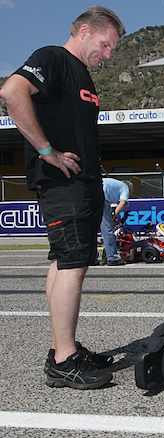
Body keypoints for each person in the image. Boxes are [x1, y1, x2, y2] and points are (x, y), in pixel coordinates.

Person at [0, 6, 125, 390]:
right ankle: (65, 361)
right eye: (105, 45)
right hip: (62, 181)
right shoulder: (53, 56)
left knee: (64, 262)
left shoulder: (82, 74)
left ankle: (61, 349)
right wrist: (46, 150)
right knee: (73, 265)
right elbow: (11, 90)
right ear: (85, 31)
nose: (107, 55)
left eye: (111, 50)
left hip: (83, 181)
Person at [101, 178, 133, 265]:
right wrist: (114, 216)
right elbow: (123, 203)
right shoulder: (125, 187)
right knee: (107, 230)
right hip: (102, 197)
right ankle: (112, 257)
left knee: (91, 229)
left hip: (89, 194)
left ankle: (93, 258)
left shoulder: (113, 183)